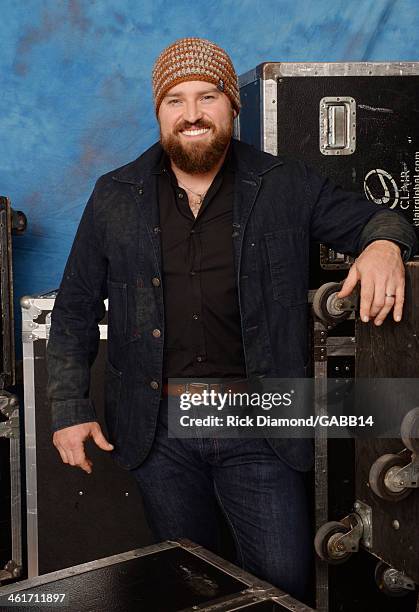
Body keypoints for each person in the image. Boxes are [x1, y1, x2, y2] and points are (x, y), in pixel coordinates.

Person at [47, 37, 417, 601]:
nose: (191, 113)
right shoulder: (113, 195)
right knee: (190, 582)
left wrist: (385, 246)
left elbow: (381, 220)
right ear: (159, 112)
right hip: (156, 426)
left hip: (259, 421)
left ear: (232, 107)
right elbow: (73, 310)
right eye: (175, 100)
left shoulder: (286, 183)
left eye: (207, 96)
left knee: (283, 583)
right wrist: (69, 407)